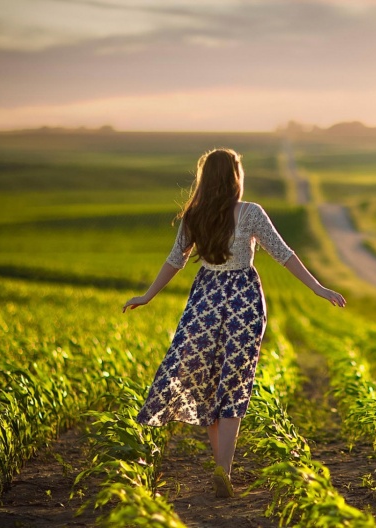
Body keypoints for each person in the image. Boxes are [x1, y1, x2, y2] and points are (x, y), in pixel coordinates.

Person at [122, 148, 346, 498]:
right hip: (244, 301)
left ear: (205, 178)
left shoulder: (193, 215)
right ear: (233, 177)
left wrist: (147, 295)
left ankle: (220, 470)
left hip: (205, 300)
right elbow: (283, 253)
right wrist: (317, 287)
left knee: (209, 383)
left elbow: (174, 261)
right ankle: (223, 472)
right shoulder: (250, 213)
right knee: (234, 382)